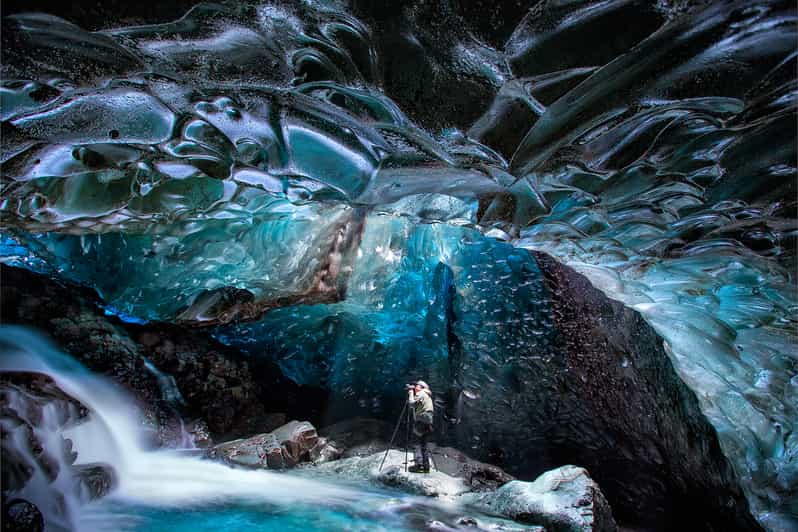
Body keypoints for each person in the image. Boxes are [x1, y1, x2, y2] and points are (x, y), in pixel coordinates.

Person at [406, 380, 434, 473]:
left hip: (421, 420)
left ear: (422, 387)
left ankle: (419, 465)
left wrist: (410, 393)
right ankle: (426, 467)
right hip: (428, 421)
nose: (415, 387)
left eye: (416, 385)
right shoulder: (427, 395)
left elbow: (411, 404)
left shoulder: (421, 393)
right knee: (424, 444)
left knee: (416, 442)